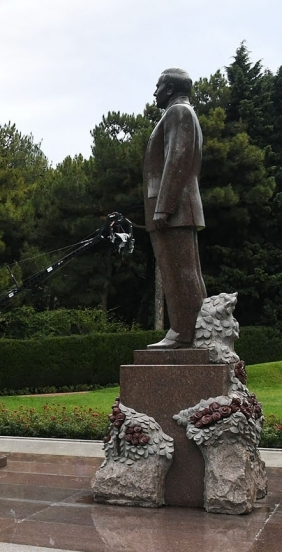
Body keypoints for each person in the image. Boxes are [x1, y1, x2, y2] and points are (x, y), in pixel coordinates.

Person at [143, 67, 207, 349]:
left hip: (175, 210)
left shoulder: (178, 112)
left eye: (158, 87)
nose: (154, 92)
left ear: (169, 89)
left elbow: (177, 159)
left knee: (180, 273)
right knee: (181, 272)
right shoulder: (181, 113)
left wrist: (163, 207)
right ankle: (189, 331)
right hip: (176, 209)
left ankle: (184, 332)